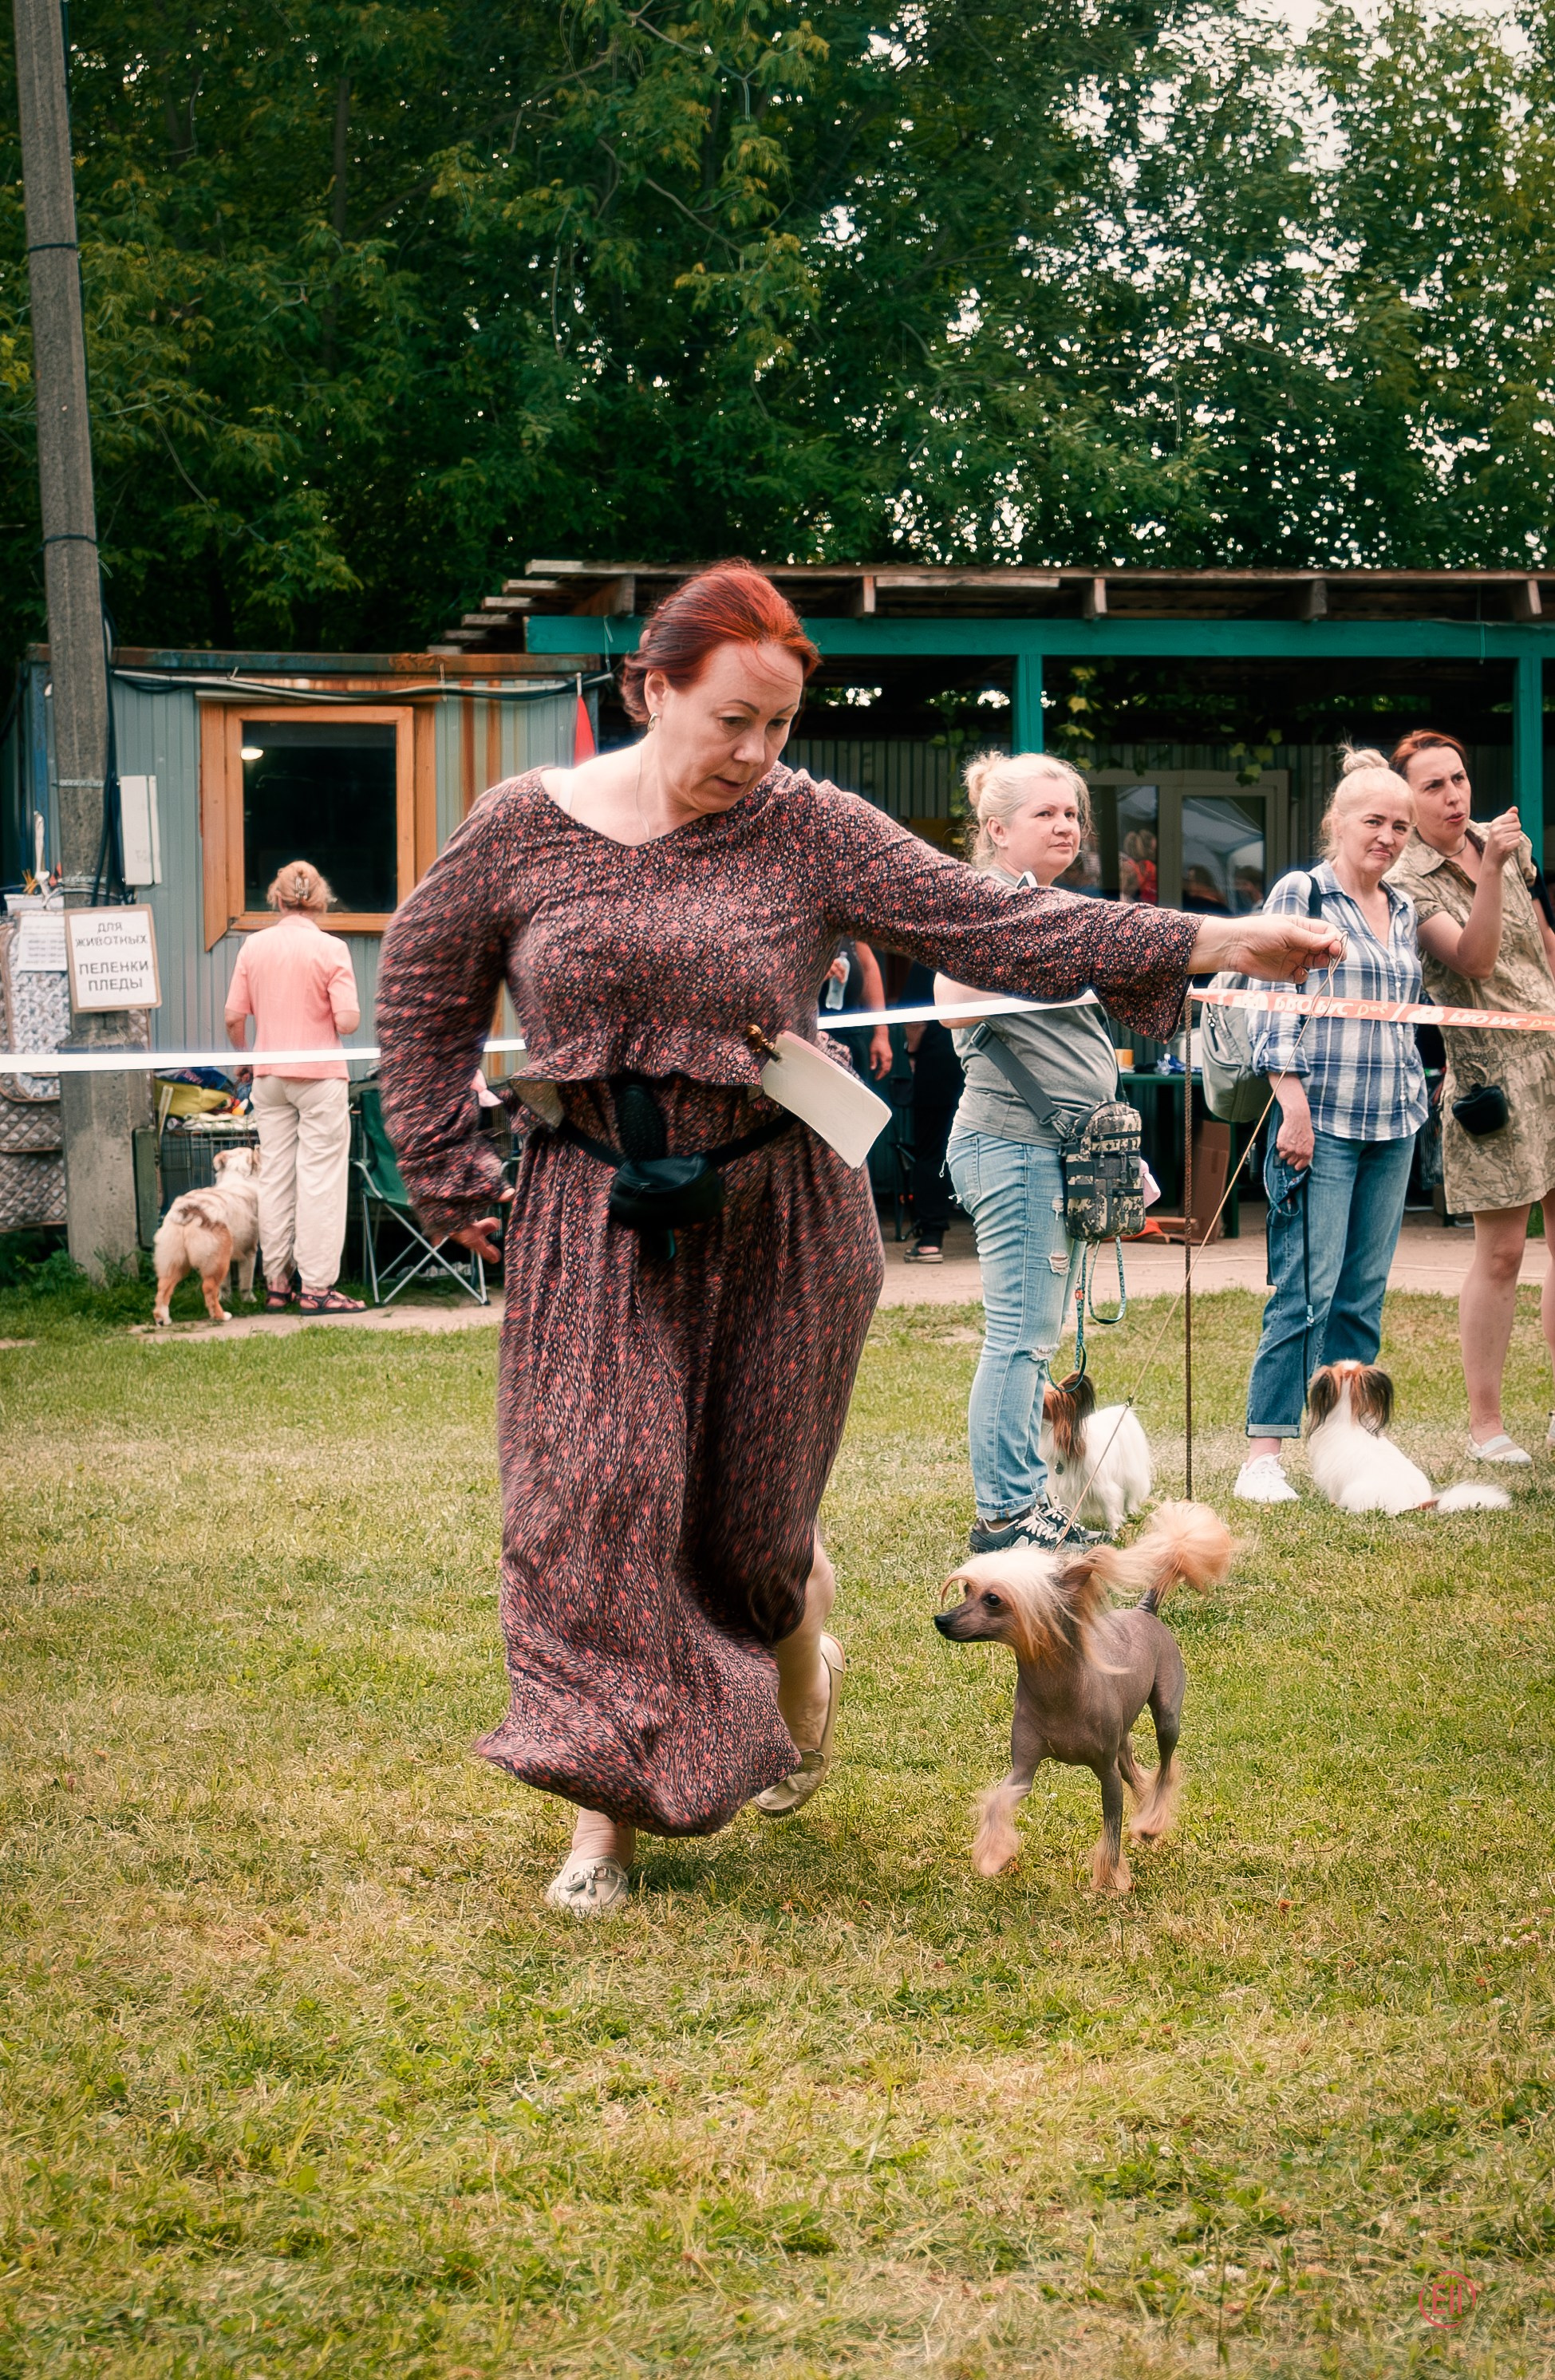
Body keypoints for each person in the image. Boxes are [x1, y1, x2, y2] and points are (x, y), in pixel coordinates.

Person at [374, 563, 1340, 1918]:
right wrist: (445, 1161)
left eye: (779, 723)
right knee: (600, 1499)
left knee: (752, 1534)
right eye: (732, 719)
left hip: (781, 1216)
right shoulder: (521, 827)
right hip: (596, 1212)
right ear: (650, 689)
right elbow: (422, 981)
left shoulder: (806, 825)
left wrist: (1211, 937)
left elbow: (994, 917)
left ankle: (797, 1651)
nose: (756, 751)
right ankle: (604, 1824)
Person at [932, 752, 1130, 1549]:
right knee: (1017, 1338)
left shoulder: (1049, 906)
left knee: (1033, 1339)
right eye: (1043, 813)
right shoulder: (984, 902)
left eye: (1071, 813)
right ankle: (1006, 1517)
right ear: (995, 828)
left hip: (1057, 1150)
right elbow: (951, 1005)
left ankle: (1024, 1503)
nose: (1063, 825)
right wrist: (1044, 953)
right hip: (1011, 1144)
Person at [1234, 752, 1427, 1501]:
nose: (1387, 837)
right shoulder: (1303, 891)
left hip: (1394, 1119)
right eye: (1373, 821)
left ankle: (1350, 1442)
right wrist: (1292, 1106)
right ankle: (1263, 1455)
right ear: (1336, 822)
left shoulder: (1403, 907)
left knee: (1360, 1295)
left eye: (1400, 826)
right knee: (1304, 1293)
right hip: (1322, 1119)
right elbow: (1270, 999)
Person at [1387, 729, 1555, 1463]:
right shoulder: (1405, 879)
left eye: (1457, 778)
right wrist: (1490, 868)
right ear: (1406, 801)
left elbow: (1538, 942)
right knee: (1503, 1252)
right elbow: (1474, 959)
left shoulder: (1504, 842)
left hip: (1551, 1054)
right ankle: (1485, 1426)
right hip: (1490, 1077)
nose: (1453, 795)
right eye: (1432, 786)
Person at [225, 860, 364, 1315]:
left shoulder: (254, 947)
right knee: (320, 1180)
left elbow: (233, 1017)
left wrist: (246, 1057)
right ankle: (317, 1288)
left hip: (269, 1077)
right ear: (320, 900)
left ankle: (277, 1283)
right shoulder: (332, 949)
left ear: (278, 898)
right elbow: (348, 1021)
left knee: (276, 1177)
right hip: (320, 1076)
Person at [900, 958, 964, 1261]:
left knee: (930, 1149)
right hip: (987, 1060)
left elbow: (915, 1019)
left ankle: (930, 1240)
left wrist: (913, 1054)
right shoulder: (991, 945)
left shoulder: (929, 954)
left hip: (939, 1059)